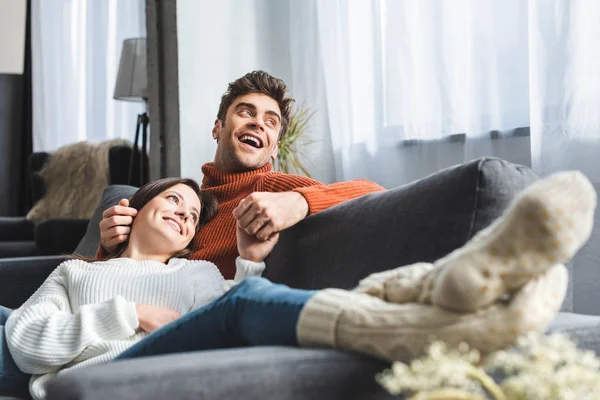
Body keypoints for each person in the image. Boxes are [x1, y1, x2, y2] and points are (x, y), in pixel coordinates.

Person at [1, 171, 596, 399]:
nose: (184, 213)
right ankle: (434, 305)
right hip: (101, 375)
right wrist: (128, 311)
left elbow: (230, 311)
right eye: (172, 202)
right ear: (135, 209)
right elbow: (26, 344)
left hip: (185, 352)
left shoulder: (199, 271)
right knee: (245, 302)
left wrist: (250, 258)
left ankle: (442, 287)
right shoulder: (78, 272)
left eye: (190, 214)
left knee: (243, 296)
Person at [96, 70, 385, 279]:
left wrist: (297, 202)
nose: (259, 123)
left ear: (274, 149)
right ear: (217, 128)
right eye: (246, 112)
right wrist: (111, 246)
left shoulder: (271, 187)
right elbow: (117, 280)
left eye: (270, 121)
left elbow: (375, 193)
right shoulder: (182, 203)